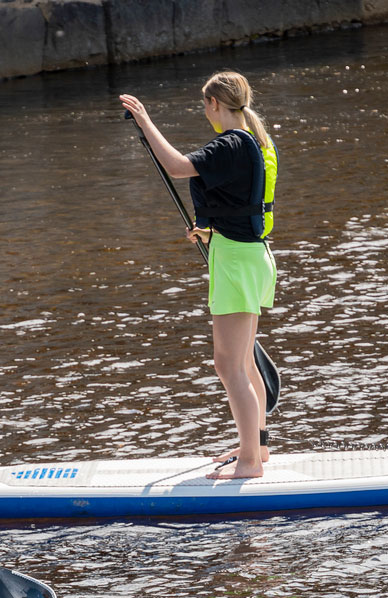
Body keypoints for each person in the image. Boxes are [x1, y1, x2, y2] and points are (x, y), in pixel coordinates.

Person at [119, 71, 278, 480]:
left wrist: (144, 121)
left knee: (228, 366)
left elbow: (176, 166)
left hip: (237, 264)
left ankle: (249, 464)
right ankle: (256, 446)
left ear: (213, 105)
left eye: (204, 106)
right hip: (248, 256)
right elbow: (238, 203)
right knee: (243, 362)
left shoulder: (229, 142)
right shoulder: (252, 142)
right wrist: (211, 228)